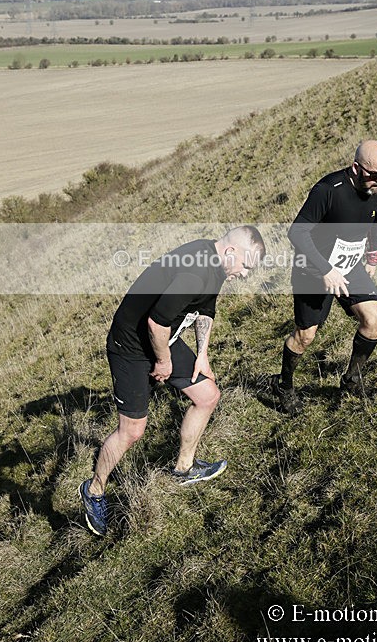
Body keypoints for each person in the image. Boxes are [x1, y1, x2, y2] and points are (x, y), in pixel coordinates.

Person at [79, 226, 266, 536]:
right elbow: (156, 322)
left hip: (166, 338)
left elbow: (205, 309)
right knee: (132, 431)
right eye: (246, 266)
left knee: (207, 396)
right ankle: (95, 490)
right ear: (232, 252)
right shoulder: (196, 270)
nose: (246, 275)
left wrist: (202, 354)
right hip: (133, 347)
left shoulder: (218, 263)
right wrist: (163, 361)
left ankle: (184, 468)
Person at [272, 140, 377, 413]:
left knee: (374, 320)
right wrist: (326, 269)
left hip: (348, 265)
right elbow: (297, 232)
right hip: (313, 268)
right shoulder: (328, 190)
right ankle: (284, 385)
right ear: (356, 168)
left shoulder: (376, 188)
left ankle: (352, 379)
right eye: (374, 174)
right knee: (306, 336)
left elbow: (376, 219)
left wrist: (373, 253)